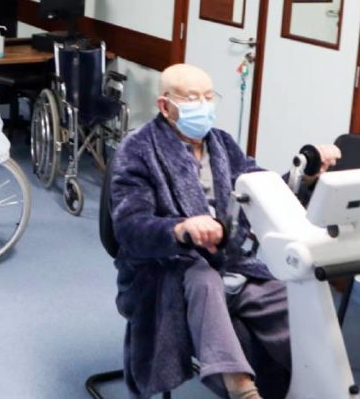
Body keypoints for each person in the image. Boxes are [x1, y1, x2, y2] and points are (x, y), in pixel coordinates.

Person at [109, 63, 340, 399]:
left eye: (208, 97)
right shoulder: (138, 149)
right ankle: (241, 389)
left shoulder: (222, 144)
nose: (203, 106)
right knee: (202, 279)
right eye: (192, 99)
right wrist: (180, 229)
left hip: (230, 262)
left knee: (292, 299)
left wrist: (304, 175)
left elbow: (262, 191)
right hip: (163, 269)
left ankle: (317, 385)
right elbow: (129, 226)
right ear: (165, 106)